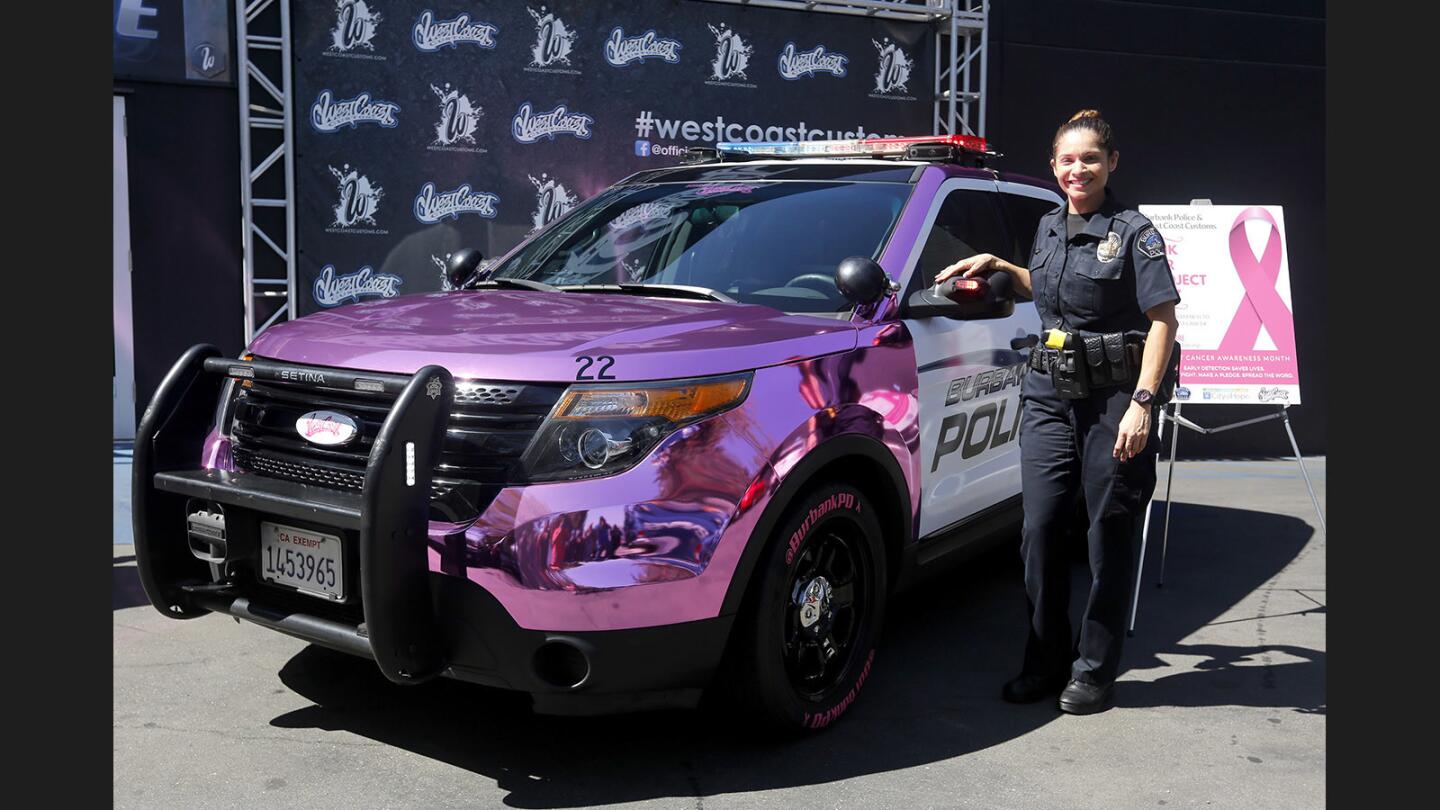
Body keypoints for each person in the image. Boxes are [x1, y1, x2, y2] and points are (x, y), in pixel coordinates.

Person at [937, 109, 1180, 714]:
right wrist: (998, 265)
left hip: (1114, 402)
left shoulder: (1135, 233)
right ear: (1054, 165)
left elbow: (1162, 322)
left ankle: (1095, 669)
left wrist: (1143, 404)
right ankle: (1045, 660)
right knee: (1041, 528)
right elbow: (1049, 290)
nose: (1079, 169)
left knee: (1108, 534)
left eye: (1090, 159)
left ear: (1111, 163)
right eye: (1067, 160)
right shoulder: (1047, 226)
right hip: (1050, 394)